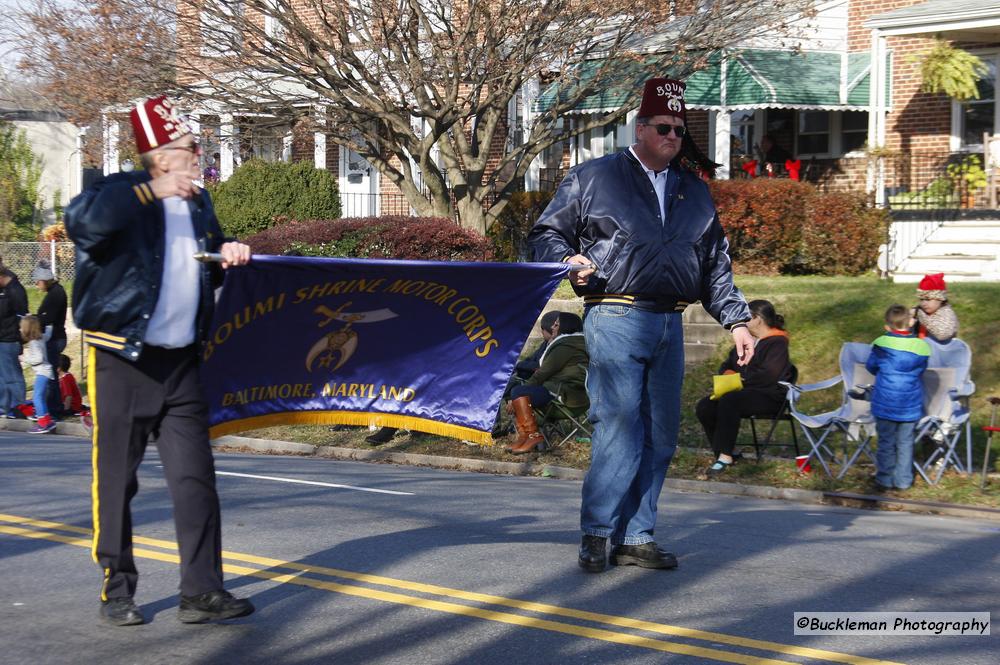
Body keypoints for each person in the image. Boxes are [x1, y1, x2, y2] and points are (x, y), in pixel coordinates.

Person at [528, 78, 754, 573]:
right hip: (614, 312)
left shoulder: (693, 191)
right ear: (641, 127)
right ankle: (598, 531)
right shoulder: (595, 177)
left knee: (661, 435)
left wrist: (737, 321)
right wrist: (567, 259)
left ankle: (638, 534)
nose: (674, 136)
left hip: (670, 320)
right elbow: (545, 233)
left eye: (679, 129)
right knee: (620, 424)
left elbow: (714, 262)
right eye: (664, 127)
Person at [64, 95, 254, 627]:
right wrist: (151, 191)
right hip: (121, 359)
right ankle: (116, 590)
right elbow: (85, 225)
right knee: (116, 480)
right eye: (192, 147)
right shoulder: (118, 190)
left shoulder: (199, 202)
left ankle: (202, 592)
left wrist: (231, 250)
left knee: (196, 480)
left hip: (181, 363)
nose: (200, 153)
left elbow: (209, 257)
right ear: (162, 155)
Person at [695, 300, 793, 474]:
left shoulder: (777, 343)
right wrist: (731, 376)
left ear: (757, 319)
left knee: (730, 400)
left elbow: (768, 376)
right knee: (705, 406)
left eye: (745, 317)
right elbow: (726, 365)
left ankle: (724, 457)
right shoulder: (747, 341)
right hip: (744, 393)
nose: (742, 321)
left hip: (770, 396)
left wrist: (740, 379)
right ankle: (725, 454)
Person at [866, 304, 930, 491]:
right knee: (905, 443)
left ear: (887, 326)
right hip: (909, 405)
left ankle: (885, 478)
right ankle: (903, 480)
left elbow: (871, 366)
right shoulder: (921, 347)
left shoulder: (881, 345)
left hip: (885, 402)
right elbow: (921, 370)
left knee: (886, 442)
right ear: (910, 323)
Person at [505, 312, 588, 454]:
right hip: (578, 396)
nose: (553, 327)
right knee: (519, 391)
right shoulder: (577, 343)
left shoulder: (565, 346)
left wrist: (515, 399)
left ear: (565, 327)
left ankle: (532, 436)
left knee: (518, 391)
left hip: (566, 396)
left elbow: (542, 373)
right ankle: (525, 437)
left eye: (557, 324)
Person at [32, 262, 68, 419]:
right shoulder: (55, 292)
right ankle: (52, 407)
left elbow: (49, 318)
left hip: (55, 338)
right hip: (55, 337)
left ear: (44, 280)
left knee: (51, 375)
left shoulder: (56, 294)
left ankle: (54, 409)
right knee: (51, 373)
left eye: (38, 281)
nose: (36, 284)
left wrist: (34, 320)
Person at [0, 265, 29, 418]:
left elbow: (23, 317)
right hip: (2, 338)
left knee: (12, 376)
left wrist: (21, 339)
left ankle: (19, 406)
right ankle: (4, 407)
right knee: (2, 377)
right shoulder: (3, 290)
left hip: (9, 339)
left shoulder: (15, 290)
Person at [20, 315, 56, 434]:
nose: (20, 329)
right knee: (40, 398)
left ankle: (43, 424)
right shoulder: (40, 338)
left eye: (22, 327)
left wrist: (25, 358)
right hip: (45, 371)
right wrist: (50, 326)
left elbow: (38, 358)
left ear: (27, 329)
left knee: (36, 398)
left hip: (42, 372)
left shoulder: (33, 343)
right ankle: (47, 421)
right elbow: (48, 336)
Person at [514, 310, 562, 381]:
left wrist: (518, 364)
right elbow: (532, 358)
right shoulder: (546, 343)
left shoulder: (560, 346)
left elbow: (541, 366)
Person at [913, 273, 959, 343]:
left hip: (942, 351)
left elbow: (942, 334)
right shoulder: (920, 311)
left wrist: (921, 316)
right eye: (921, 299)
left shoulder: (947, 314)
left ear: (940, 299)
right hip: (923, 349)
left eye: (928, 299)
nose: (924, 303)